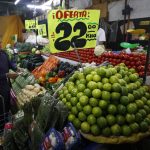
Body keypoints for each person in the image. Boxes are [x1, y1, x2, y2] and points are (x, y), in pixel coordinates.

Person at [0, 48, 18, 133]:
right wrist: (6, 75)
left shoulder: (3, 53)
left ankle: (5, 125)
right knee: (1, 108)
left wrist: (16, 68)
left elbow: (10, 63)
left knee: (6, 105)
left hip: (5, 86)